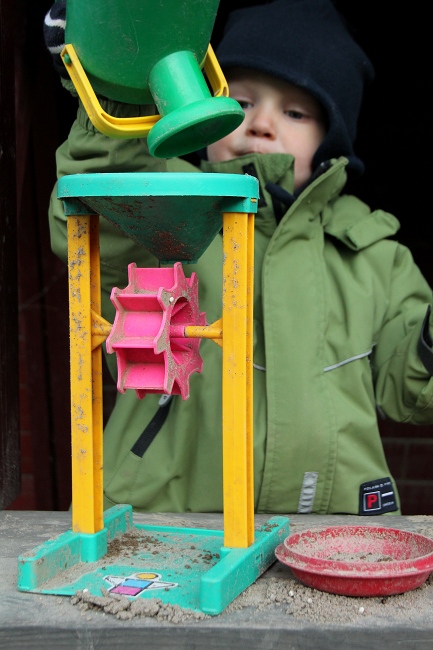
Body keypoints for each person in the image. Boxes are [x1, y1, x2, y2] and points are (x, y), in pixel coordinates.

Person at [47, 0, 433, 516]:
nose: (262, 124)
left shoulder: (375, 255)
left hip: (331, 531)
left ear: (330, 138)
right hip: (164, 523)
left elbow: (411, 390)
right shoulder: (171, 203)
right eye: (243, 102)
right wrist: (114, 94)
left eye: (295, 113)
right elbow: (104, 199)